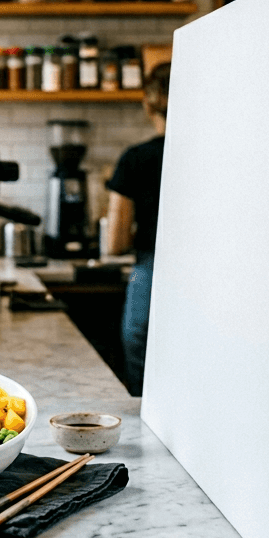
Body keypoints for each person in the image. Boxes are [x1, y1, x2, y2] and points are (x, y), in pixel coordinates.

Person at [104, 62, 170, 395]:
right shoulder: (218, 154)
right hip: (214, 274)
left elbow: (114, 242)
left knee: (142, 356)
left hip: (152, 268)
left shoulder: (136, 159)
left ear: (148, 104)